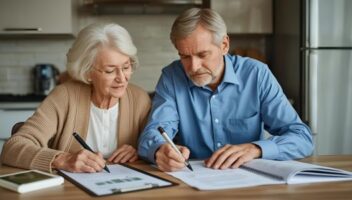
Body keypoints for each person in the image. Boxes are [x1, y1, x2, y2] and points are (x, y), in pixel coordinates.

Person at [138, 8, 314, 172]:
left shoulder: (256, 74)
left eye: (202, 55)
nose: (193, 67)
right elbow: (153, 134)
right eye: (185, 56)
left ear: (224, 45)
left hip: (249, 182)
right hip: (195, 181)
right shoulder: (172, 77)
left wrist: (256, 148)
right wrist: (160, 151)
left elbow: (302, 138)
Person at [1, 23, 151, 173]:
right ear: (88, 72)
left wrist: (140, 150)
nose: (122, 78)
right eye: (110, 70)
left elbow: (156, 145)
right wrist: (62, 159)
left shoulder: (139, 99)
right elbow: (12, 148)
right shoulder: (63, 97)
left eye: (126, 67)